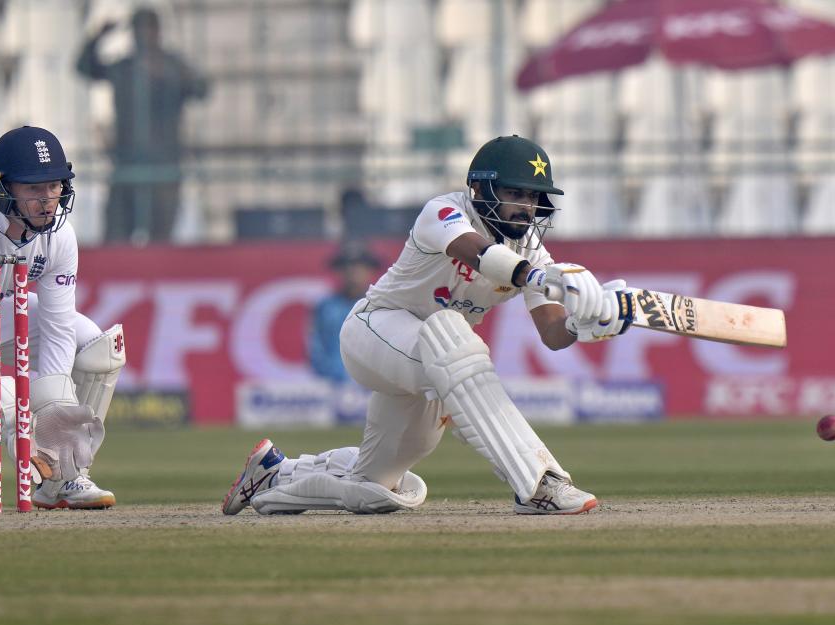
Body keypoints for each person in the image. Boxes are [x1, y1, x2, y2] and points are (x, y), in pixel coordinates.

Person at [222, 134, 635, 516]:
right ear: (481, 189)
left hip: (432, 361)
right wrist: (539, 277)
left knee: (377, 489)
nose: (525, 207)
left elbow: (552, 333)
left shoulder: (532, 253)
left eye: (532, 197)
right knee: (454, 335)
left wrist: (590, 324)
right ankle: (540, 484)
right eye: (514, 193)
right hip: (374, 332)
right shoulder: (444, 212)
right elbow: (479, 254)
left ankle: (277, 474)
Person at [0, 126, 127, 509]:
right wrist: (10, 417)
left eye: (54, 186)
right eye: (33, 189)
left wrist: (53, 417)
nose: (47, 200)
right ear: (2, 189)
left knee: (99, 348)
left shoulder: (60, 236)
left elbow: (58, 327)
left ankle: (64, 479)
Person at [76, 7, 209, 244]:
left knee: (161, 239)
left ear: (157, 32)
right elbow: (85, 67)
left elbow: (201, 89)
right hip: (127, 163)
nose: (142, 36)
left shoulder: (171, 66)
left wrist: (167, 76)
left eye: (147, 29)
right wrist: (97, 37)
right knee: (116, 236)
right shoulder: (124, 68)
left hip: (164, 166)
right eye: (138, 30)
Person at [307, 242, 381, 383]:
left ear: (370, 269)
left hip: (375, 387)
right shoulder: (325, 308)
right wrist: (335, 377)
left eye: (360, 265)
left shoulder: (382, 307)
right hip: (332, 388)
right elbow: (315, 351)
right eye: (346, 265)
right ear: (339, 270)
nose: (352, 270)